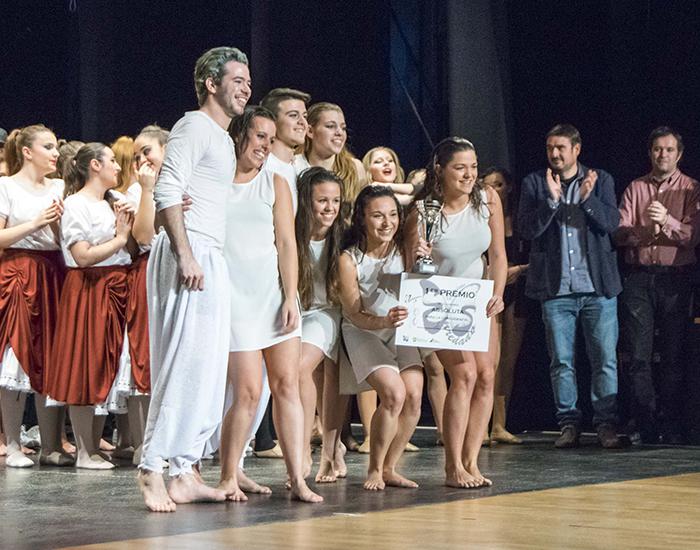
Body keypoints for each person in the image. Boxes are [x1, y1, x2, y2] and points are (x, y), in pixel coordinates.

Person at [137, 46, 251, 513]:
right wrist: (185, 254)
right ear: (211, 83)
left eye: (248, 81)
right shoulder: (192, 126)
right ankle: (151, 467)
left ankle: (184, 470)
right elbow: (167, 187)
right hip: (189, 252)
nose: (246, 88)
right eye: (238, 80)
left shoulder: (223, 139)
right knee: (182, 364)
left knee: (206, 372)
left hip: (210, 253)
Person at [217, 106, 323, 503]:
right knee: (247, 391)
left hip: (273, 297)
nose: (265, 144)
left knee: (287, 385)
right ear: (240, 135)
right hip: (234, 300)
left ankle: (297, 479)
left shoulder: (276, 183)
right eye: (259, 136)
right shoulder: (215, 182)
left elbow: (286, 244)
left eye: (269, 137)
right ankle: (230, 474)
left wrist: (291, 296)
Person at [406, 137, 506, 488]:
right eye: (460, 168)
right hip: (440, 301)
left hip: (478, 299)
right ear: (440, 170)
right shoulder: (424, 211)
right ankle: (452, 466)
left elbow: (497, 254)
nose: (469, 175)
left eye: (474, 167)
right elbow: (411, 268)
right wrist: (419, 253)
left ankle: (471, 460)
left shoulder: (487, 199)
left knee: (486, 376)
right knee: (463, 374)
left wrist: (499, 293)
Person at [518, 124, 623, 449]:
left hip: (597, 288)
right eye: (550, 148)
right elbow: (525, 229)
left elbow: (612, 223)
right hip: (556, 290)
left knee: (604, 359)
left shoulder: (600, 179)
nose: (555, 154)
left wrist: (589, 200)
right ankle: (568, 424)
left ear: (576, 149)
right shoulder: (536, 183)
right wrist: (550, 202)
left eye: (561, 147)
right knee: (561, 361)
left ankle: (605, 424)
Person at [44, 142, 135, 470]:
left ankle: (94, 447)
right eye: (111, 160)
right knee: (86, 364)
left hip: (116, 286)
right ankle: (84, 450)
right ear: (94, 165)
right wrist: (120, 239)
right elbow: (81, 256)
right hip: (89, 288)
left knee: (106, 366)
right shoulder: (76, 204)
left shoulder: (114, 201)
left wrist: (127, 231)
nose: (117, 166)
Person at [614, 127, 700, 444]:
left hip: (675, 278)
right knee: (639, 355)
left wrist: (667, 221)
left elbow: (693, 236)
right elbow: (619, 233)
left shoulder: (691, 189)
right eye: (656, 149)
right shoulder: (635, 187)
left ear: (679, 154)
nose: (661, 155)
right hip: (639, 277)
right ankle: (646, 422)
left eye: (668, 150)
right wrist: (642, 228)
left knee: (674, 356)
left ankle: (673, 423)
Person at [340, 185, 424, 490]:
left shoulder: (404, 248)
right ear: (362, 218)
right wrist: (383, 320)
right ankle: (374, 468)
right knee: (393, 394)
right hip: (364, 331)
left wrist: (422, 265)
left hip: (399, 330)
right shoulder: (349, 260)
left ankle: (390, 467)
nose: (387, 222)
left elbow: (423, 287)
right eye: (377, 216)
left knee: (414, 395)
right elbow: (353, 313)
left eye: (392, 215)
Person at [0, 125, 71, 467]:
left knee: (51, 357)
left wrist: (56, 226)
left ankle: (50, 444)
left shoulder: (59, 187)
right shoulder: (6, 186)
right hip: (19, 271)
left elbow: (66, 238)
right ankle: (12, 444)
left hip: (53, 272)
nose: (55, 153)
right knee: (17, 352)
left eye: (55, 147)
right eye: (48, 147)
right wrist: (37, 222)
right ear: (28, 152)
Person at [294, 166, 347, 483]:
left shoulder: (346, 233)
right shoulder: (292, 231)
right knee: (316, 376)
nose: (330, 208)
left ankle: (310, 451)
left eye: (336, 201)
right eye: (322, 201)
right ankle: (329, 449)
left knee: (311, 370)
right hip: (299, 309)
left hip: (331, 311)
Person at [482, 167, 529, 444]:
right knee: (491, 361)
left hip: (518, 288)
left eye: (499, 184)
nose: (494, 190)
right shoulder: (480, 217)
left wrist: (519, 269)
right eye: (489, 186)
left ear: (508, 188)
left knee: (508, 362)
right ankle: (483, 425)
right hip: (489, 288)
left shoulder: (521, 219)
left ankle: (500, 423)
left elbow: (539, 254)